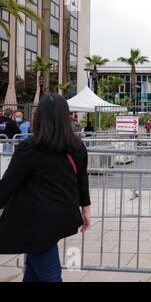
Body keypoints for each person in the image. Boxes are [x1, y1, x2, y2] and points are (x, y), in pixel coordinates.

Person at [0, 93, 91, 282]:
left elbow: (7, 186)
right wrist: (86, 211)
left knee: (50, 275)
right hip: (62, 217)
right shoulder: (78, 147)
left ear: (39, 117)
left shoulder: (29, 149)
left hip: (35, 223)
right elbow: (82, 182)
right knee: (34, 269)